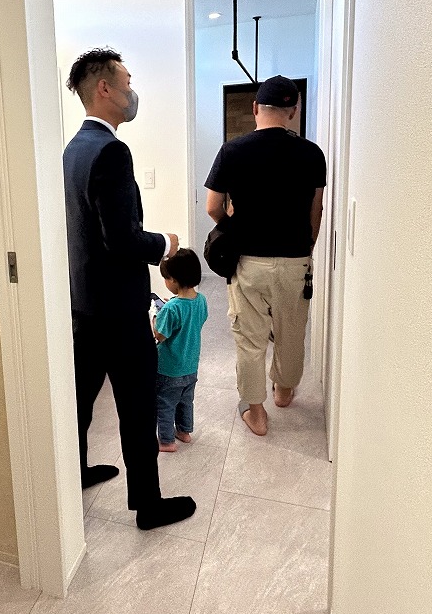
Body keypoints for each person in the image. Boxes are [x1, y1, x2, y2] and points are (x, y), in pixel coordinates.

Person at [64, 47, 196, 530]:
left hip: (85, 303)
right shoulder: (111, 151)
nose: (131, 89)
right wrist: (165, 243)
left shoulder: (73, 149)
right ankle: (148, 504)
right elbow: (120, 239)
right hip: (119, 311)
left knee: (80, 400)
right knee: (137, 407)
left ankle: (74, 472)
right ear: (104, 88)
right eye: (126, 80)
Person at [204, 75, 327, 437]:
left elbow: (213, 207)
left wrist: (234, 225)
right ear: (293, 111)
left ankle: (255, 411)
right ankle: (284, 390)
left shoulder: (232, 151)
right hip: (295, 261)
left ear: (256, 107)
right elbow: (316, 211)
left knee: (250, 338)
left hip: (248, 262)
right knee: (291, 331)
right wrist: (305, 250)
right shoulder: (312, 154)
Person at [151, 248, 208, 452]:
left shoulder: (170, 308)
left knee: (165, 404)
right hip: (190, 366)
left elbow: (160, 335)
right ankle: (184, 432)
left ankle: (166, 441)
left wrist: (155, 318)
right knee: (185, 401)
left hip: (169, 369)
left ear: (173, 280)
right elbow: (195, 320)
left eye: (166, 278)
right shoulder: (201, 300)